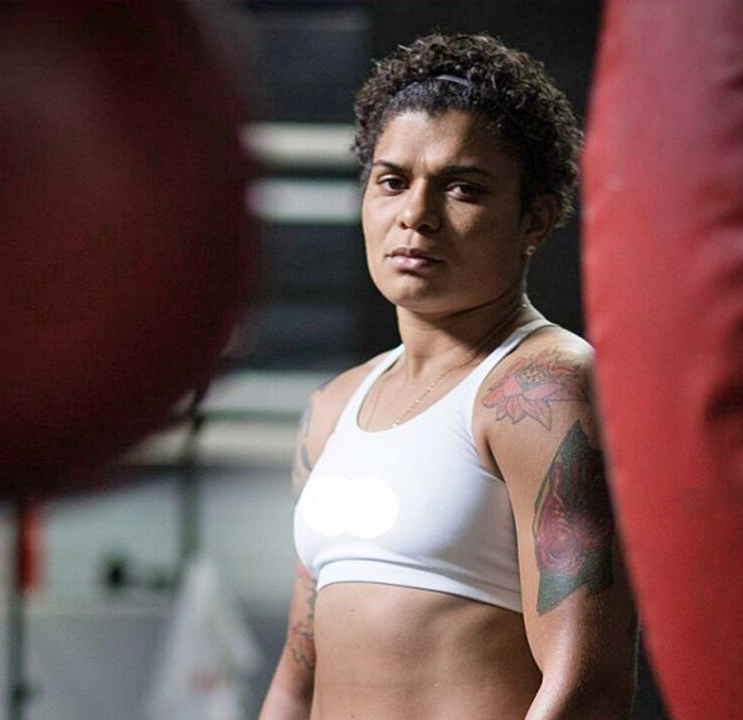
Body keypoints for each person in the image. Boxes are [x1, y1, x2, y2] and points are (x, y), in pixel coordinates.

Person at [259, 33, 636, 720]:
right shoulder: (333, 407)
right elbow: (296, 677)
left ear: (534, 219)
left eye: (462, 188)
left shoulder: (542, 386)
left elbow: (589, 686)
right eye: (392, 181)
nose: (417, 215)